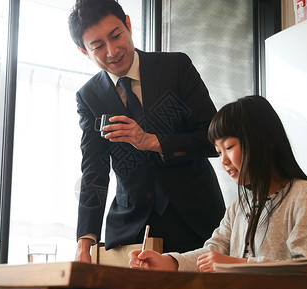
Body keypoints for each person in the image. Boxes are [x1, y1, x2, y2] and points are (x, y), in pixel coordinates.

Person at [68, 0, 225, 263]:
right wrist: (85, 242)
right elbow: (94, 171)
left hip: (196, 223)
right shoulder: (89, 97)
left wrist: (151, 141)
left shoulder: (176, 68)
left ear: (128, 24)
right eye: (97, 46)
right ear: (84, 51)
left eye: (116, 35)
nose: (112, 51)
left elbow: (213, 140)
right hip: (131, 230)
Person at [129, 95, 307, 272]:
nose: (224, 161)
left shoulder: (305, 196)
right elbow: (214, 251)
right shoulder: (239, 207)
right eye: (219, 152)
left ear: (265, 140)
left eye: (229, 147)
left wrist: (236, 264)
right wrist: (169, 262)